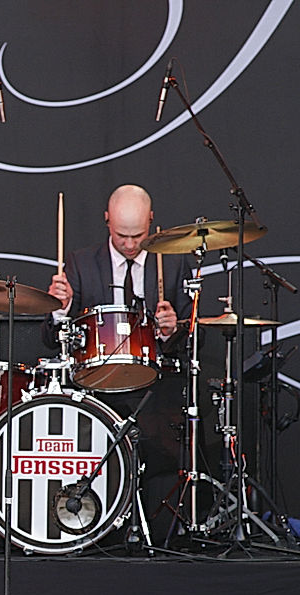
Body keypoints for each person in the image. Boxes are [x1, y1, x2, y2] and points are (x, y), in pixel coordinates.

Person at [44, 184, 193, 540]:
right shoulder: (80, 263)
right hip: (96, 386)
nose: (129, 244)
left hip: (156, 391)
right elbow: (51, 340)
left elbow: (196, 336)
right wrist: (60, 311)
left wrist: (172, 329)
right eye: (121, 235)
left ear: (151, 221)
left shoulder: (173, 262)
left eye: (138, 236)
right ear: (107, 220)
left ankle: (160, 532)